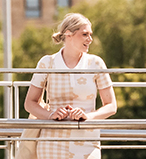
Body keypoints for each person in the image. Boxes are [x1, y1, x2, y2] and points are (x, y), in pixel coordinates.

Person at [24, 13, 118, 159]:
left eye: (90, 34)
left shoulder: (96, 63)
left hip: (88, 140)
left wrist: (88, 116)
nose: (90, 39)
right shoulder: (47, 62)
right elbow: (30, 103)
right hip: (52, 142)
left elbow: (111, 106)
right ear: (68, 34)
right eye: (85, 34)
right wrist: (50, 115)